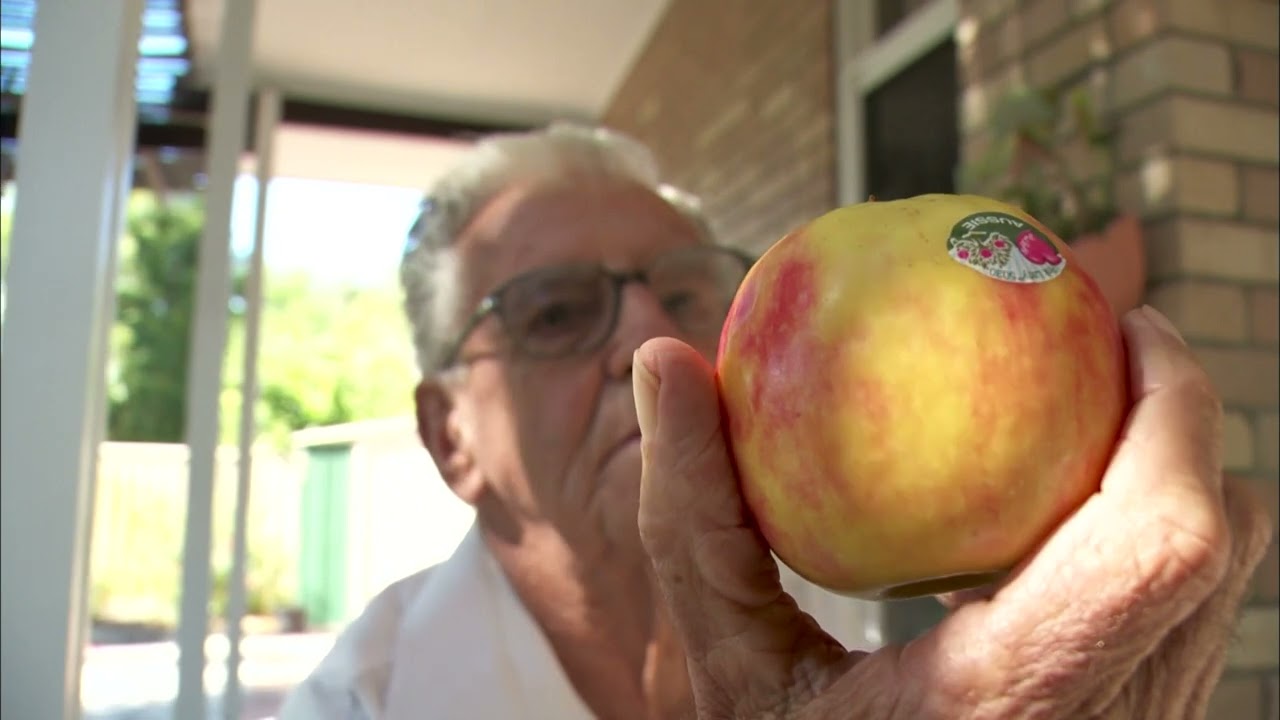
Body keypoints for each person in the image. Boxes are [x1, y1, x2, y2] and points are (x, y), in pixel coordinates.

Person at [277, 123, 1272, 720]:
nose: (644, 334)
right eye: (553, 312)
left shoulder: (877, 649)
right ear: (448, 435)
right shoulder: (361, 703)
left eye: (685, 289)